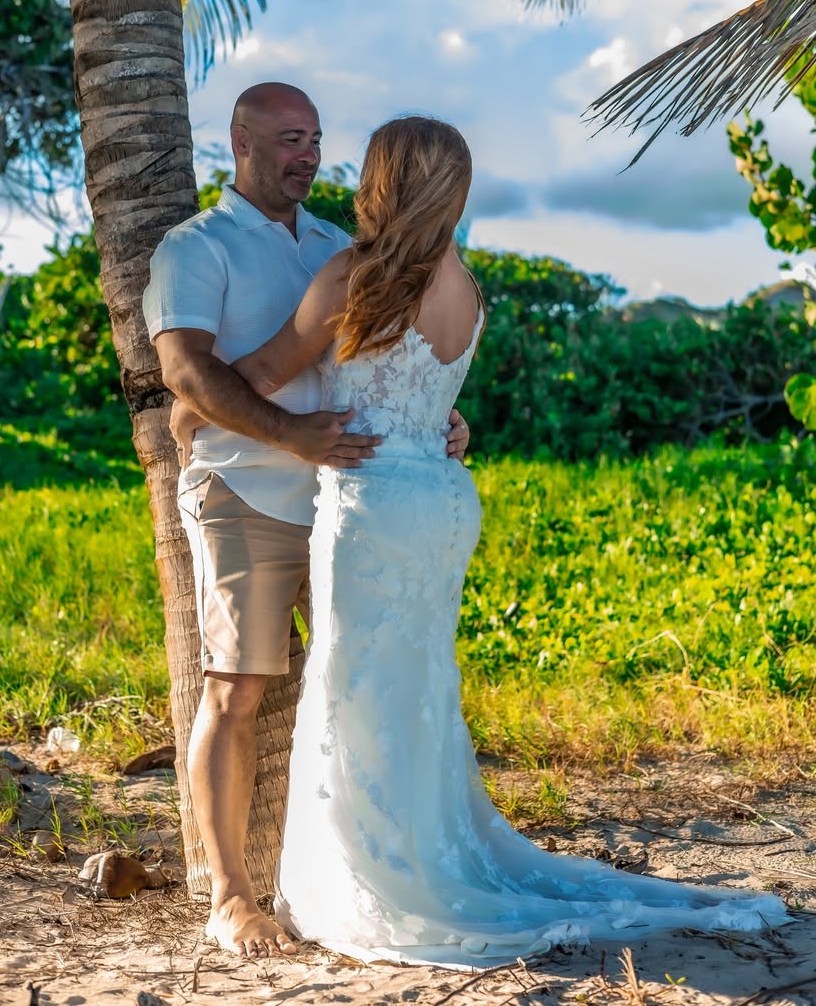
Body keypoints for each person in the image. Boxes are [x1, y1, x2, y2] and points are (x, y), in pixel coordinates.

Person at [224, 115, 789, 968]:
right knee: (413, 687)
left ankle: (379, 872)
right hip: (441, 497)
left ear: (383, 178)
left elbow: (259, 378)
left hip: (373, 499)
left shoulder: (353, 275)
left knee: (358, 687)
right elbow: (428, 391)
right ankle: (426, 847)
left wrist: (182, 385)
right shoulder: (466, 286)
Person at [141, 84, 470, 961]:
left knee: (359, 699)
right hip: (248, 494)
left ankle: (370, 877)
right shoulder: (193, 248)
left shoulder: (343, 250)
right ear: (241, 142)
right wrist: (271, 428)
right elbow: (187, 369)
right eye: (289, 138)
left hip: (346, 509)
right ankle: (230, 898)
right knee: (236, 688)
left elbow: (372, 364)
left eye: (317, 139)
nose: (308, 155)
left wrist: (434, 421)